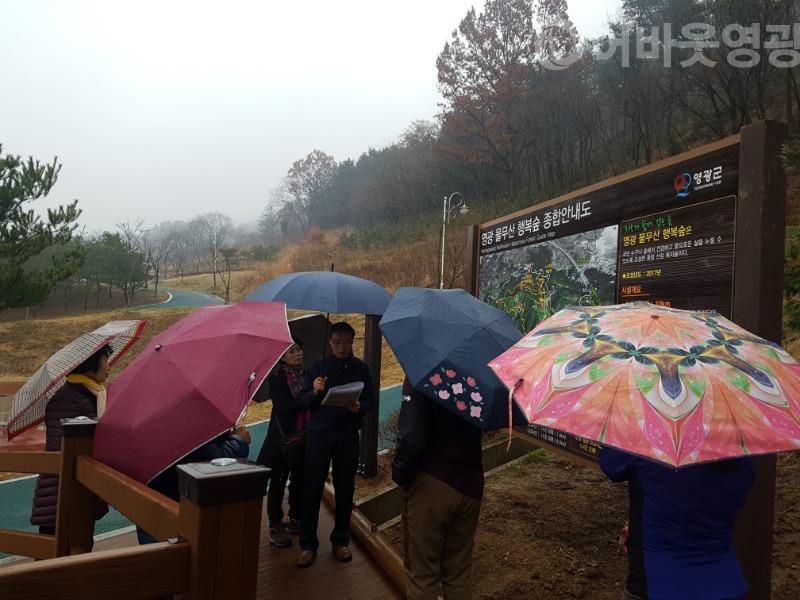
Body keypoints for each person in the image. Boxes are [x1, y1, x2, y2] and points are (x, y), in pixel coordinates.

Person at [599, 446, 755, 600]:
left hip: (656, 583)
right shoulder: (743, 456)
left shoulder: (647, 443)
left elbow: (611, 463)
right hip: (725, 582)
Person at [391, 377, 483, 600]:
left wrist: (401, 474)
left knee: (423, 575)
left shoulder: (420, 377)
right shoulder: (478, 378)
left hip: (431, 483)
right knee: (458, 573)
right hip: (471, 484)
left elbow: (411, 440)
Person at [296, 321, 375, 568]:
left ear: (353, 342)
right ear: (330, 342)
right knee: (312, 489)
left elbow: (370, 400)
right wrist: (314, 392)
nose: (342, 347)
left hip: (347, 435)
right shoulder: (317, 368)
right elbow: (302, 402)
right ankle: (307, 544)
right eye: (337, 342)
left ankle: (340, 540)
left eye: (347, 342)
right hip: (318, 436)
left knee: (345, 489)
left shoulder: (361, 368)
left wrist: (359, 407)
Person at [31, 344, 113, 535]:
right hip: (63, 491)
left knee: (73, 545)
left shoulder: (86, 393)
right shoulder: (72, 398)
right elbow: (63, 446)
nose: (108, 366)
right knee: (64, 546)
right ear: (91, 364)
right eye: (105, 360)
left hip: (71, 486)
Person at [137, 426, 251, 544]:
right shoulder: (188, 425)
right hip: (182, 520)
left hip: (154, 516)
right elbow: (213, 463)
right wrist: (238, 441)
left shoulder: (146, 430)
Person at [256, 339, 309, 548]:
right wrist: (309, 396)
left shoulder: (308, 376)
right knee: (278, 482)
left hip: (303, 436)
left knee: (299, 478)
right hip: (282, 439)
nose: (297, 354)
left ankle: (295, 517)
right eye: (291, 351)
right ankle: (275, 525)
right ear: (283, 358)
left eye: (299, 349)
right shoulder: (277, 380)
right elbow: (285, 409)